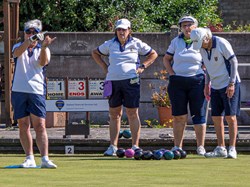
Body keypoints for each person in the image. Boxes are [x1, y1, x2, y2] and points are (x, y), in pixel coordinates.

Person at [92, 18, 158, 156]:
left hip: (131, 81)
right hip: (113, 81)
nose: (121, 32)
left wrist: (142, 66)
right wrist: (105, 67)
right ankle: (113, 146)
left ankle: (135, 146)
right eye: (119, 29)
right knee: (114, 114)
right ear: (115, 31)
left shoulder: (136, 43)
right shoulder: (109, 44)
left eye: (124, 29)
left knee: (132, 113)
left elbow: (153, 54)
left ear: (129, 30)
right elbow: (95, 53)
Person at [11, 19, 57, 168]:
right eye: (28, 32)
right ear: (24, 34)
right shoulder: (18, 46)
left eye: (35, 33)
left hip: (36, 91)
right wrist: (28, 41)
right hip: (19, 90)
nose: (31, 35)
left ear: (40, 35)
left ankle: (44, 158)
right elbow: (17, 53)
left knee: (40, 126)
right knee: (23, 125)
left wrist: (43, 47)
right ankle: (29, 157)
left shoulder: (44, 49)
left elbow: (42, 62)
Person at [190, 27, 241, 159]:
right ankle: (221, 148)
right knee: (216, 117)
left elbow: (233, 61)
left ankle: (232, 149)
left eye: (201, 42)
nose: (200, 45)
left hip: (229, 84)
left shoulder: (221, 43)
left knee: (231, 117)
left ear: (207, 37)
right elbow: (207, 67)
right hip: (215, 86)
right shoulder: (201, 48)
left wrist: (231, 83)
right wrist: (207, 84)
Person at [163, 15, 207, 155]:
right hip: (178, 83)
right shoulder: (176, 41)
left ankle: (200, 146)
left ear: (195, 27)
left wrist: (205, 71)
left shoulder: (201, 41)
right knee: (179, 116)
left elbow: (208, 59)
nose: (187, 28)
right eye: (184, 25)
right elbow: (166, 58)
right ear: (181, 28)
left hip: (197, 81)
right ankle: (177, 146)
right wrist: (172, 74)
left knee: (198, 115)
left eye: (190, 25)